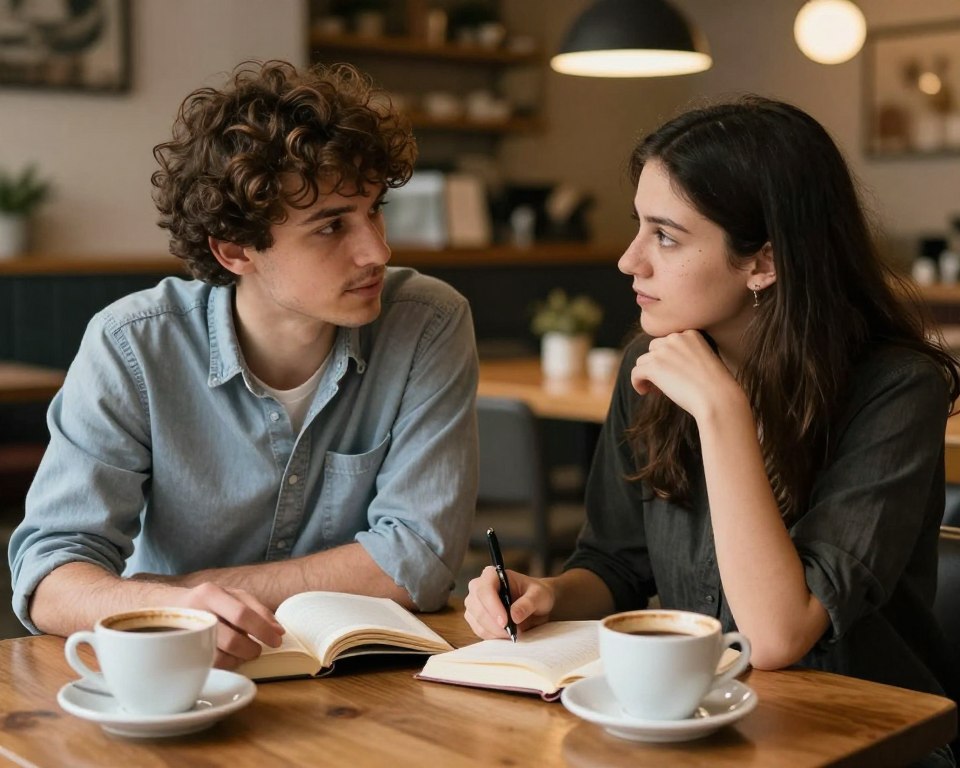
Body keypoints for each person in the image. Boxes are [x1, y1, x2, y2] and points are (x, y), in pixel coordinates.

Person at [465, 96, 959, 763]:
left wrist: (723, 412)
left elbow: (779, 635)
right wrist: (548, 595)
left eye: (665, 236)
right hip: (703, 720)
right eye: (639, 227)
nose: (629, 260)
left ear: (763, 262)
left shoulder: (897, 389)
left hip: (864, 740)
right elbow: (616, 563)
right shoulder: (650, 365)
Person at [9, 60, 479, 668]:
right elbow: (50, 575)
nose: (377, 250)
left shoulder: (428, 322)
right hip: (182, 673)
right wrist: (173, 611)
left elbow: (418, 560)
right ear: (235, 251)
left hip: (367, 675)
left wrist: (176, 596)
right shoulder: (133, 345)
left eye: (374, 209)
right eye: (331, 226)